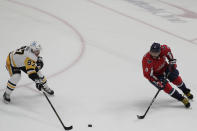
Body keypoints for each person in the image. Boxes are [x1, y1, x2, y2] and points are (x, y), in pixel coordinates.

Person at [142, 42, 193, 108]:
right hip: (155, 76)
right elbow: (148, 75)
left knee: (176, 79)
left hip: (165, 68)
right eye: (152, 52)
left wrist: (172, 64)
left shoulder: (164, 49)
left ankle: (185, 91)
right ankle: (181, 98)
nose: (153, 54)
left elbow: (170, 57)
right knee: (167, 87)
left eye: (156, 52)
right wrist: (158, 81)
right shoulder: (147, 60)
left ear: (160, 51)